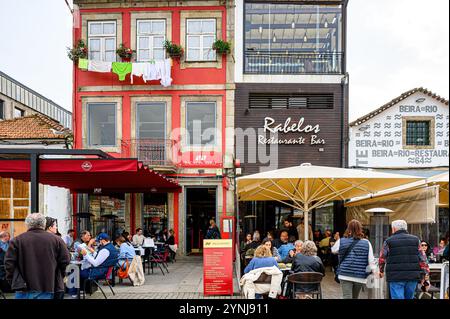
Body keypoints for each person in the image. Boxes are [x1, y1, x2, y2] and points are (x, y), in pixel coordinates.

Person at [4, 213, 70, 299]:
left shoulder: (17, 240)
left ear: (27, 224)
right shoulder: (56, 240)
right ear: (44, 224)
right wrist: (57, 276)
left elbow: (9, 264)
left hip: (22, 287)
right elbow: (65, 261)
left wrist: (14, 280)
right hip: (47, 286)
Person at [379, 220, 430, 300]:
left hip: (395, 276)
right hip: (412, 276)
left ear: (394, 229)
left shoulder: (388, 241)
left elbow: (382, 258)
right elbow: (423, 258)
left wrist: (381, 270)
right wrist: (424, 274)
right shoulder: (416, 240)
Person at [331, 220, 376, 299]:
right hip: (359, 275)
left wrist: (337, 240)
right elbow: (371, 261)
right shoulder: (367, 243)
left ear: (348, 229)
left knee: (347, 297)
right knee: (355, 297)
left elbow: (333, 250)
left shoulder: (341, 241)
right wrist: (375, 272)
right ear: (360, 229)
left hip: (345, 274)